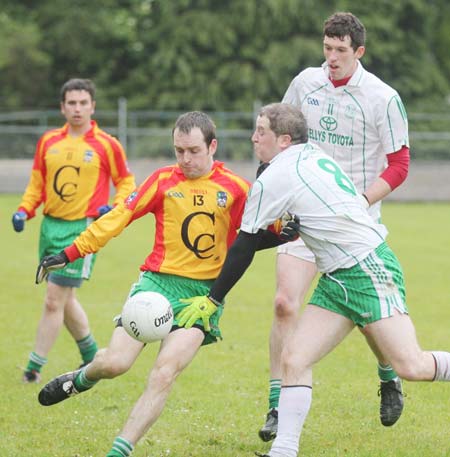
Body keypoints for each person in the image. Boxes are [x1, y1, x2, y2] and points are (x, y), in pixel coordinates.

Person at [175, 102, 450, 457]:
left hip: (366, 268)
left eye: (262, 131)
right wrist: (285, 235)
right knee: (294, 357)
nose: (253, 137)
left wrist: (212, 299)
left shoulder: (276, 175)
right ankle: (283, 452)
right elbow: (276, 233)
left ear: (284, 140)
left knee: (410, 365)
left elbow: (244, 244)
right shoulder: (311, 155)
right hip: (338, 276)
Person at [34, 111, 298, 457]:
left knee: (164, 373)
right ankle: (83, 378)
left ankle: (118, 452)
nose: (185, 160)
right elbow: (118, 218)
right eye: (178, 151)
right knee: (115, 363)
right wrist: (71, 252)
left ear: (212, 146)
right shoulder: (161, 181)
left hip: (202, 296)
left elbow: (260, 230)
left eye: (192, 151)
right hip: (155, 286)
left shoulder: (235, 189)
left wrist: (286, 227)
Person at [258, 11, 411, 441]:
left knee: (365, 316)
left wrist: (359, 202)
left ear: (359, 52)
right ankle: (276, 404)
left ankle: (388, 374)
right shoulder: (306, 82)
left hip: (353, 226)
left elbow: (399, 165)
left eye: (340, 51)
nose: (331, 59)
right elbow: (282, 134)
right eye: (327, 49)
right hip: (304, 218)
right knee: (285, 303)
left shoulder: (382, 97)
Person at [13, 78, 136, 383]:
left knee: (54, 298)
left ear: (92, 106)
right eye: (72, 103)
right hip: (50, 227)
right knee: (64, 299)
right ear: (62, 107)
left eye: (83, 103)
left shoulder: (107, 144)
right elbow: (37, 185)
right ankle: (91, 354)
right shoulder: (49, 142)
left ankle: (33, 368)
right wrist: (24, 210)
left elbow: (126, 183)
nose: (77, 108)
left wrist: (115, 207)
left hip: (82, 230)